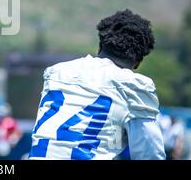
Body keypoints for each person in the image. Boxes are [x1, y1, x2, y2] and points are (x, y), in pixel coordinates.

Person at [29, 9, 165, 160]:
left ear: (100, 46)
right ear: (139, 62)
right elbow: (150, 155)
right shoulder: (135, 85)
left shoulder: (57, 73)